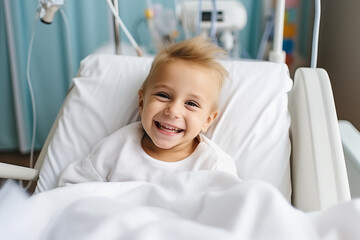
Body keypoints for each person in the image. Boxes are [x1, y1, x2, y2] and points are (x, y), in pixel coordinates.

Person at [58, 37, 238, 186]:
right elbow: (73, 187)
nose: (173, 110)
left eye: (191, 103)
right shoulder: (118, 147)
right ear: (142, 102)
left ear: (207, 120)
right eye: (163, 95)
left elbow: (228, 212)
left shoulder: (213, 166)